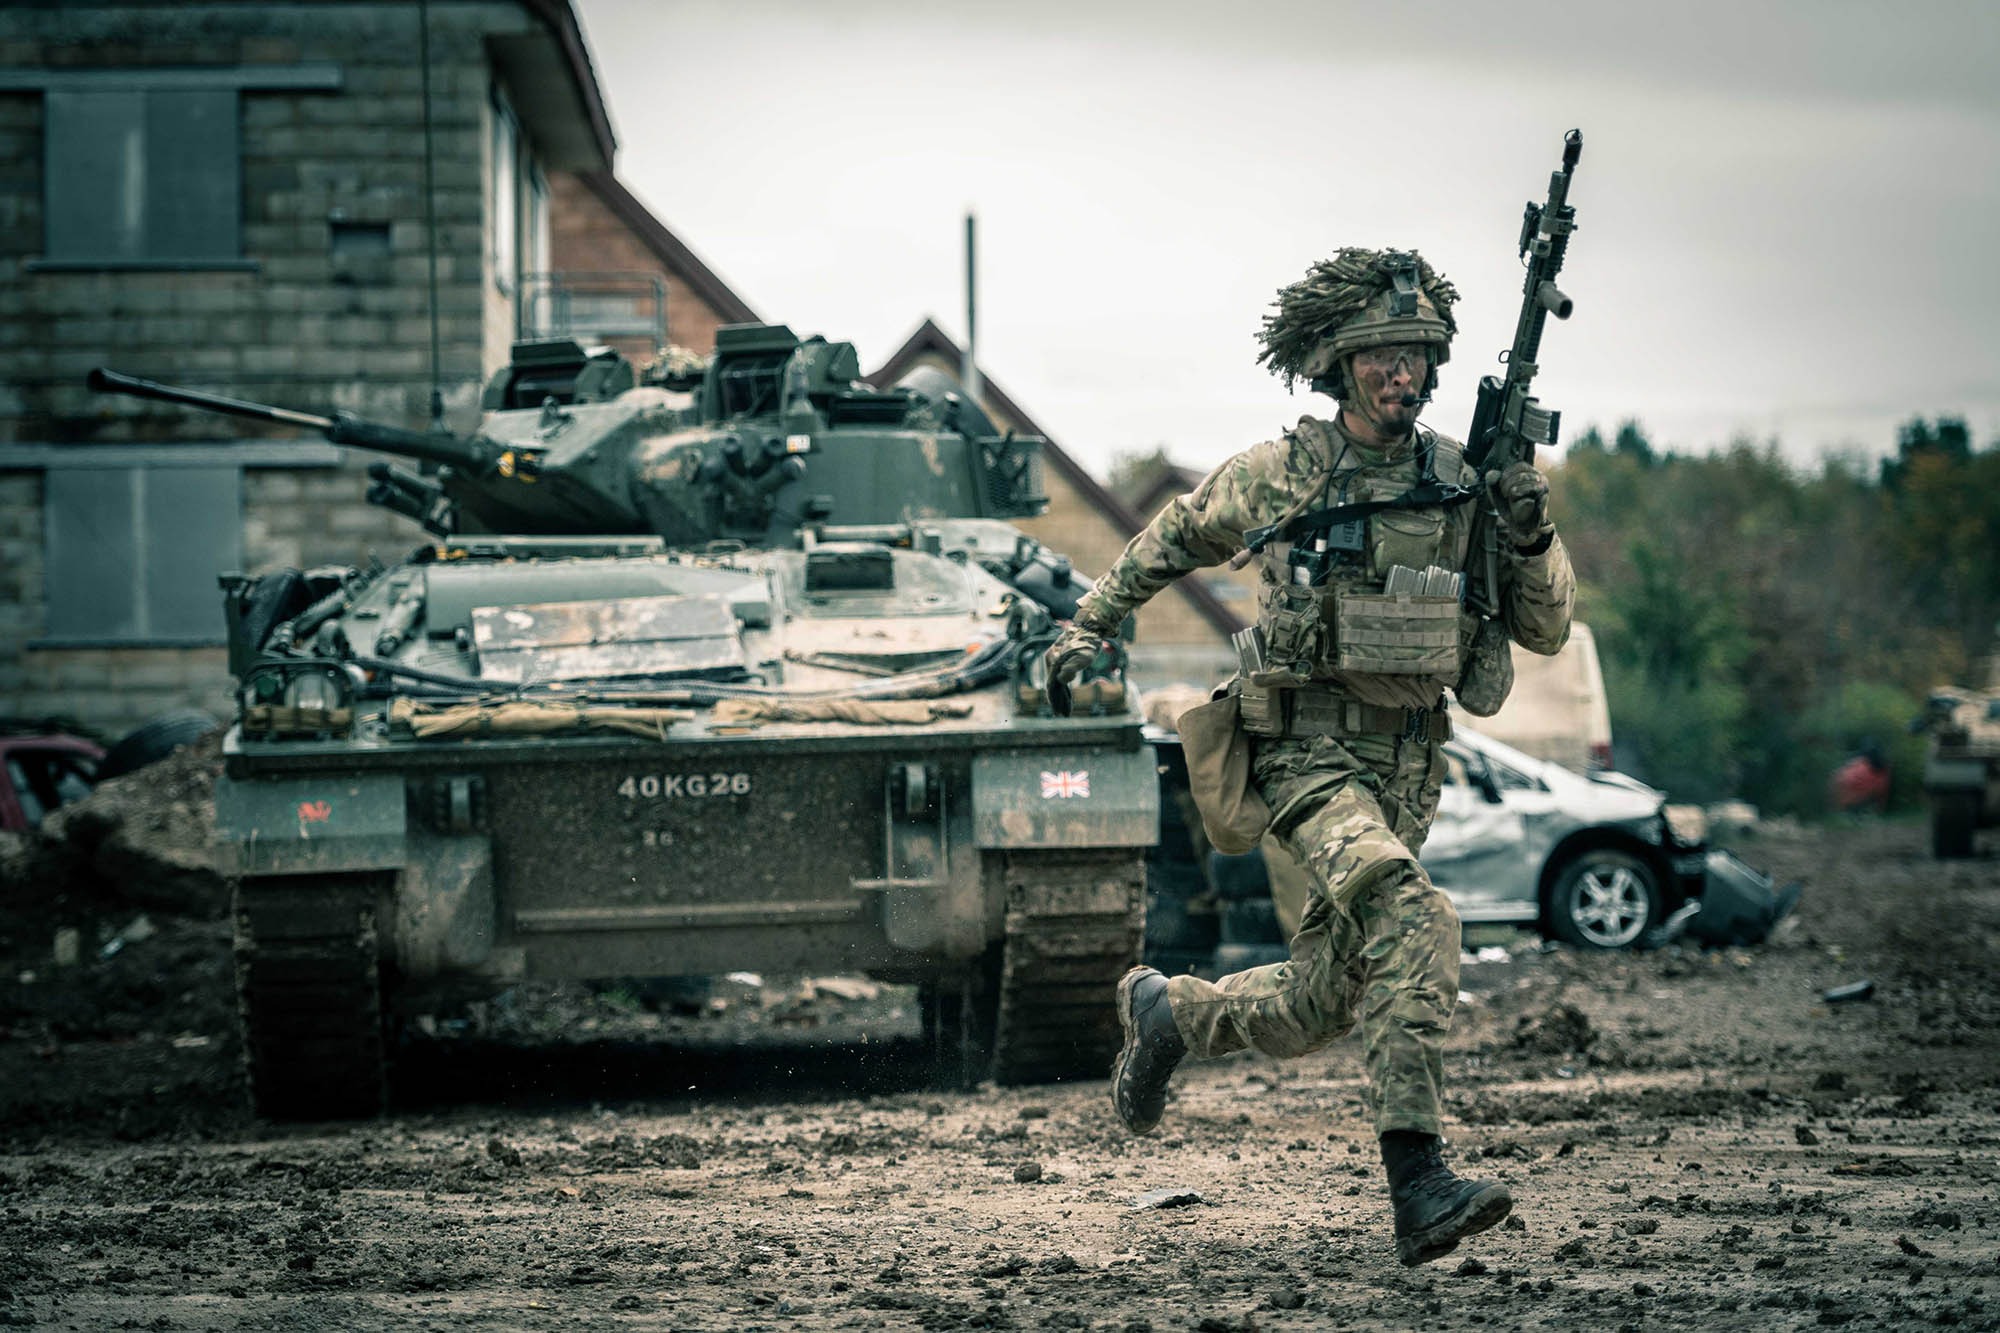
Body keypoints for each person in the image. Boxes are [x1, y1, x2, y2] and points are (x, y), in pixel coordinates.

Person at [1044, 248, 1575, 1267]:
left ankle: (1168, 1015)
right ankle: (1416, 1182)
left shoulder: (1462, 483)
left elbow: (1544, 631)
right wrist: (1088, 625)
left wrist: (1528, 530)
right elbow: (1173, 535)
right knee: (1415, 914)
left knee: (1328, 995)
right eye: (1379, 354)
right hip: (1302, 753)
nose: (1400, 374)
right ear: (1338, 364)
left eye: (1416, 355)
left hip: (1407, 768)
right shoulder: (1284, 472)